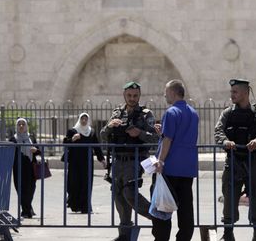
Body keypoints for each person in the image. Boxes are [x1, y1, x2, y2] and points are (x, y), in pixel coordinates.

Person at [214, 79, 256, 241]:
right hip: (233, 161)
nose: (231, 95)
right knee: (229, 197)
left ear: (245, 93)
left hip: (253, 161)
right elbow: (218, 131)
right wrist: (225, 141)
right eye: (231, 91)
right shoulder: (228, 113)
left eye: (235, 92)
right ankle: (228, 233)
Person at [100, 82, 159, 241]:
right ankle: (125, 233)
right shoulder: (117, 113)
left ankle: (157, 219)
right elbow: (103, 135)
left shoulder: (146, 114)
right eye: (129, 95)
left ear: (139, 96)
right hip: (118, 160)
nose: (132, 98)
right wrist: (110, 126)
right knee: (118, 195)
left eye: (135, 96)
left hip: (135, 159)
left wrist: (139, 133)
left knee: (129, 193)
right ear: (124, 95)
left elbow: (155, 138)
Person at [153, 79, 199, 241]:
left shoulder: (171, 112)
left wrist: (160, 161)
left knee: (163, 209)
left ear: (173, 92)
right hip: (187, 168)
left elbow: (168, 139)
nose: (164, 95)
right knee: (186, 209)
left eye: (166, 91)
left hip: (170, 168)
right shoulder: (193, 113)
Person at [63, 112, 107, 214]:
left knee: (86, 183)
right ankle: (75, 204)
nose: (84, 121)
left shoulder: (91, 132)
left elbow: (97, 147)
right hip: (75, 162)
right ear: (79, 119)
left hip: (87, 162)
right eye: (82, 119)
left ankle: (85, 206)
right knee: (74, 183)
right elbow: (65, 144)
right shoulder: (73, 131)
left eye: (85, 119)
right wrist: (73, 139)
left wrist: (102, 159)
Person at [10, 118, 40, 218]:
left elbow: (39, 150)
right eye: (19, 124)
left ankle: (28, 208)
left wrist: (35, 150)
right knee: (21, 189)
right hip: (18, 167)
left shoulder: (31, 138)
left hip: (31, 167)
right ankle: (26, 211)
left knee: (31, 188)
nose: (21, 126)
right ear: (16, 126)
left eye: (23, 124)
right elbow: (9, 153)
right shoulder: (13, 139)